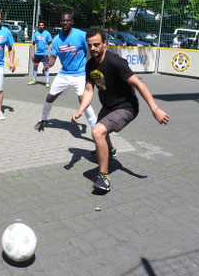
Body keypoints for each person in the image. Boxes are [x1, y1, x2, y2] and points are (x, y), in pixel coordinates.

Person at [72, 28, 169, 193]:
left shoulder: (116, 62)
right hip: (109, 106)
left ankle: (104, 177)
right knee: (101, 130)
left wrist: (155, 109)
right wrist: (80, 110)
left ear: (105, 43)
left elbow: (140, 85)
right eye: (90, 46)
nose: (93, 49)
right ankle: (109, 150)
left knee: (97, 132)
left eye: (96, 44)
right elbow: (89, 90)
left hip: (126, 107)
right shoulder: (90, 64)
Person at [34, 12, 97, 132]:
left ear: (72, 22)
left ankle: (95, 127)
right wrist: (47, 65)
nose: (65, 23)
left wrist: (91, 67)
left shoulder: (80, 35)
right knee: (50, 97)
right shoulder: (57, 39)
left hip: (80, 74)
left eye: (68, 21)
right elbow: (53, 58)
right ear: (60, 22)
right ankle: (43, 119)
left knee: (83, 100)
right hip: (64, 74)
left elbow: (90, 51)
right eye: (63, 20)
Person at [28, 20, 52, 88]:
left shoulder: (47, 34)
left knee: (46, 66)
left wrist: (49, 53)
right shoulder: (36, 34)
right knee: (35, 65)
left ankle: (47, 82)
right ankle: (34, 80)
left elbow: (49, 44)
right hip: (37, 53)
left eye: (42, 25)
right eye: (40, 25)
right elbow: (33, 44)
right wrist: (32, 53)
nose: (41, 26)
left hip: (45, 53)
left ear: (44, 26)